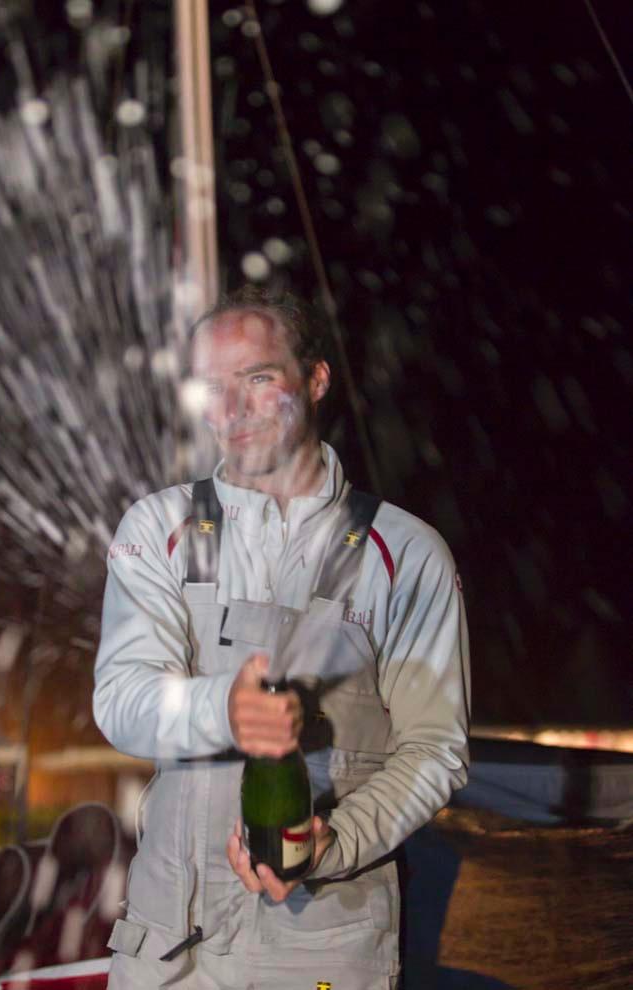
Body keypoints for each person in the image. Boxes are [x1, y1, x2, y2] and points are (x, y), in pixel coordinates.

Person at [93, 285, 470, 990]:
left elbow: (436, 750)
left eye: (259, 379)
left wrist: (333, 843)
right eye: (212, 387)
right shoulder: (157, 529)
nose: (231, 410)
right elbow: (120, 700)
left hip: (322, 948)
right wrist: (221, 710)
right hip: (167, 946)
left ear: (316, 380)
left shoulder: (406, 553)